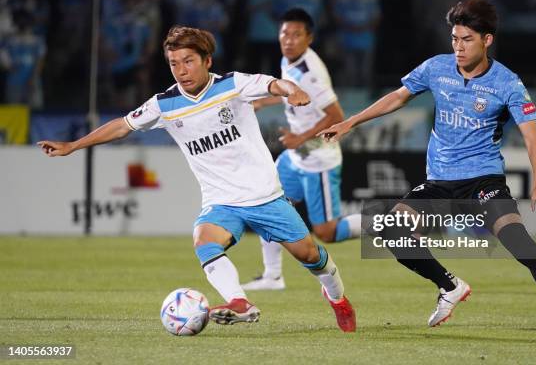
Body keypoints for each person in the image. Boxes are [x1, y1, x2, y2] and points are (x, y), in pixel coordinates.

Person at [38, 25, 356, 332]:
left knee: (313, 257)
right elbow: (122, 125)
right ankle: (239, 303)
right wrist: (74, 145)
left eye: (188, 61)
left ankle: (338, 298)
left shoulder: (232, 85)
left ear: (207, 61)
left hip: (265, 197)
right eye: (174, 63)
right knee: (203, 240)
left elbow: (274, 84)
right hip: (221, 202)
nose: (181, 70)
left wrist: (294, 89)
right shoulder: (164, 104)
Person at [318, 0, 536, 330]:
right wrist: (350, 121)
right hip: (439, 183)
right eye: (455, 39)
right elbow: (398, 97)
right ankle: (449, 286)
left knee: (518, 242)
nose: (459, 47)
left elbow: (532, 138)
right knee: (392, 230)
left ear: (487, 40)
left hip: (483, 182)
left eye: (467, 40)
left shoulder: (507, 83)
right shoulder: (436, 67)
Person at [241, 8, 361, 291]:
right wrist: (263, 101)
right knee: (263, 199)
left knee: (326, 232)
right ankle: (272, 276)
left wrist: (301, 138)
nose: (289, 40)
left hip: (318, 159)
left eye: (297, 35)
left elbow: (336, 114)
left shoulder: (311, 72)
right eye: (285, 34)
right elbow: (293, 95)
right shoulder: (289, 60)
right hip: (297, 156)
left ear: (309, 38)